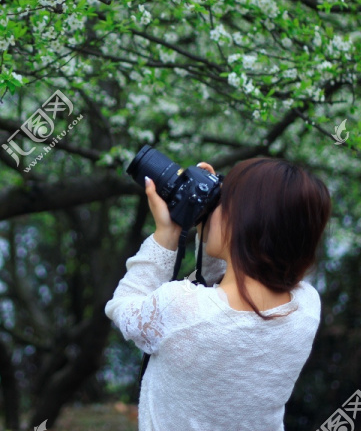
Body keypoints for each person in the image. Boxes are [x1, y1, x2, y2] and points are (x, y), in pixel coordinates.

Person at [104, 157, 332, 431]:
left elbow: (123, 306)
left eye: (222, 200)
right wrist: (213, 227)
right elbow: (228, 287)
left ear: (241, 221)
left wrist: (165, 236)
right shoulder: (306, 306)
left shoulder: (180, 309)